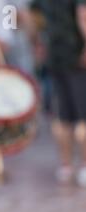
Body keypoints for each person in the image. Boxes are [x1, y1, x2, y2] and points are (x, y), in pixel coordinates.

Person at [31, 0, 86, 186]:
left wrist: (38, 42)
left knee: (61, 115)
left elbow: (34, 16)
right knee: (82, 117)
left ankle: (66, 166)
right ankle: (84, 167)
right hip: (77, 56)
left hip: (54, 56)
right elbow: (83, 14)